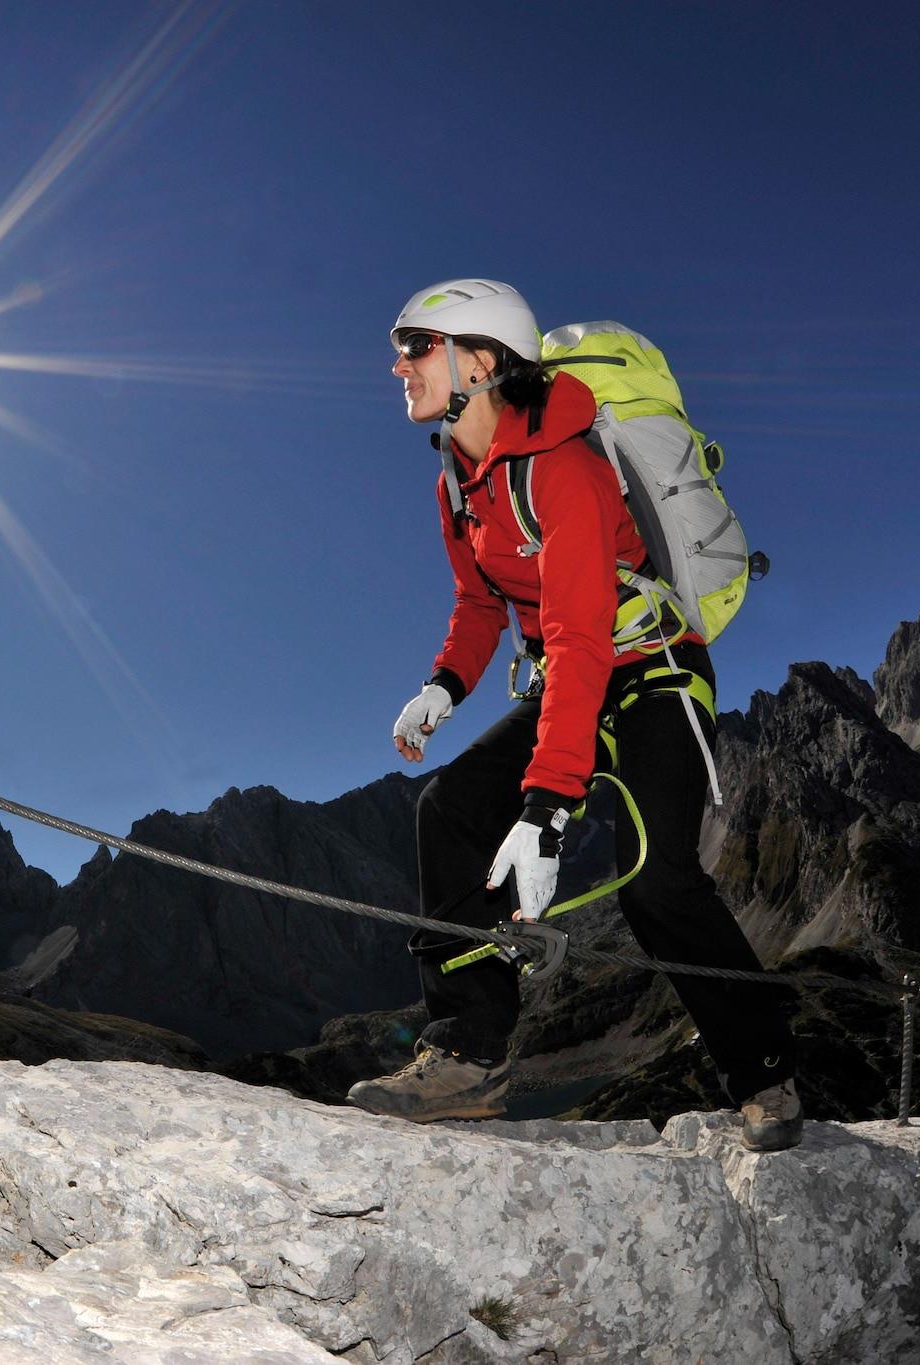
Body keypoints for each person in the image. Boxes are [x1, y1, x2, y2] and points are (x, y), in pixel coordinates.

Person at [346, 278, 802, 1152]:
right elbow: (479, 603)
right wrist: (444, 685)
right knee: (448, 812)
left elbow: (580, 635)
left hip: (652, 666)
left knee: (657, 879)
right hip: (572, 674)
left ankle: (764, 1068)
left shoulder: (565, 468)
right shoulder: (457, 482)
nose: (398, 365)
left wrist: (547, 807)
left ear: (480, 361)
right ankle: (469, 1054)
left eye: (416, 346)